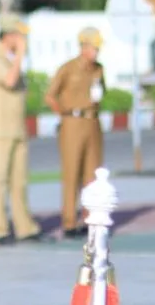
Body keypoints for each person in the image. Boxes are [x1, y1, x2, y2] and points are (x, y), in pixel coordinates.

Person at [0, 14, 43, 245]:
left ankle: (25, 227)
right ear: (9, 35)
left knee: (19, 181)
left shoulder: (10, 57)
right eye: (20, 35)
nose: (23, 40)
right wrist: (21, 56)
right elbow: (9, 80)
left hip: (16, 129)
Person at [45, 27, 107, 238]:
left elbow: (101, 93)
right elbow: (50, 96)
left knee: (93, 174)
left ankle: (90, 219)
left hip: (92, 122)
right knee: (72, 173)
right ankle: (69, 221)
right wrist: (63, 114)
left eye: (97, 48)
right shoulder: (68, 69)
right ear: (83, 47)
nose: (96, 52)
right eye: (93, 47)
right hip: (72, 121)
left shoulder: (99, 69)